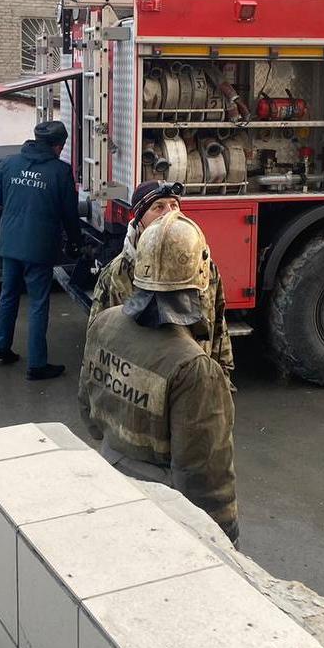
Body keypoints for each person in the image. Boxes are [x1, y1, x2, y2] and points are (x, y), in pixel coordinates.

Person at [79, 211, 238, 543]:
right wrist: (226, 539)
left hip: (108, 477)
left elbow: (89, 414)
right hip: (164, 514)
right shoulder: (194, 368)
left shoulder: (105, 323)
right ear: (201, 274)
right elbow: (204, 477)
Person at [88, 180, 234, 379]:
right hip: (143, 390)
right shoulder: (117, 274)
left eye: (174, 206)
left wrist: (223, 382)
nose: (169, 214)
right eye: (158, 207)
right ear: (139, 220)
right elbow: (100, 341)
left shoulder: (204, 269)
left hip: (195, 385)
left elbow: (218, 333)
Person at [0, 119, 81, 381]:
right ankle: (37, 365)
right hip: (39, 247)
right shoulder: (60, 171)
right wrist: (76, 241)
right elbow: (69, 213)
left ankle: (1, 347)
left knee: (8, 296)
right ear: (57, 145)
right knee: (38, 303)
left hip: (10, 243)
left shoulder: (9, 163)